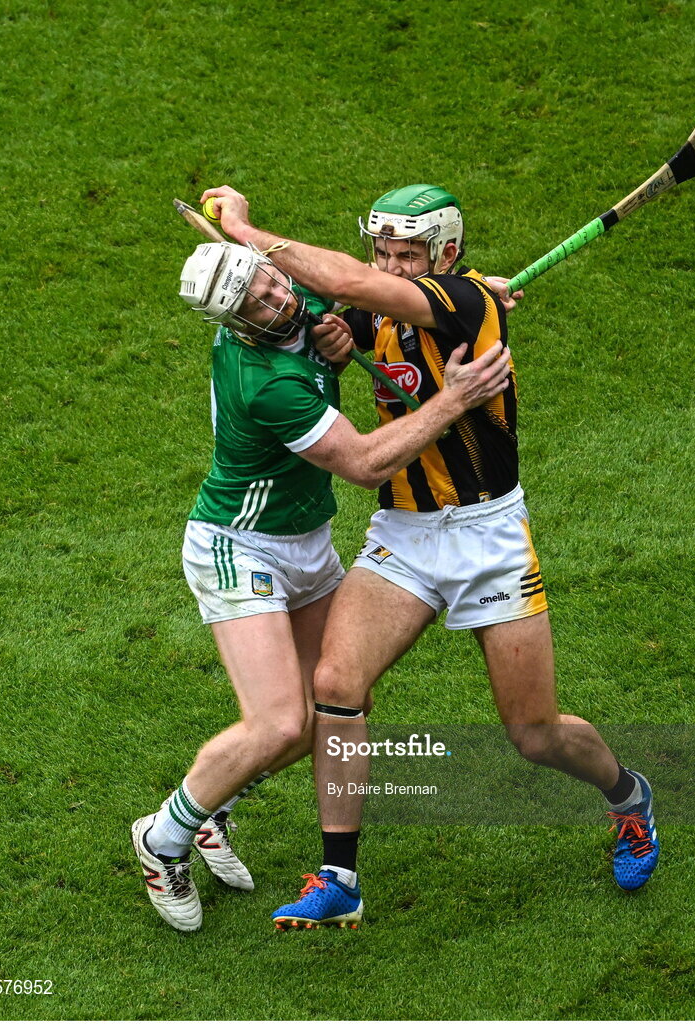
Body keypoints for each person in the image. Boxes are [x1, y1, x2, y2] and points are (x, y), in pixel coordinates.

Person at [199, 183, 660, 931]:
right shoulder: (389, 306)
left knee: (532, 732)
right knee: (337, 686)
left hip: (490, 535)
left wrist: (246, 227)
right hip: (405, 533)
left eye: (405, 254)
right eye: (381, 250)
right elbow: (325, 304)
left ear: (445, 254)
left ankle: (628, 798)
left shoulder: (464, 305)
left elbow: (342, 279)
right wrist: (333, 339)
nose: (387, 265)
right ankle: (340, 874)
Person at [131, 237, 512, 931]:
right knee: (277, 722)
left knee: (327, 712)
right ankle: (163, 839)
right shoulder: (263, 381)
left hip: (306, 544)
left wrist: (468, 298)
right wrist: (453, 400)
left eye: (271, 283)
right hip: (238, 548)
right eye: (257, 304)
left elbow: (364, 287)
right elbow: (367, 464)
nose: (279, 300)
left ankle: (213, 806)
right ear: (236, 325)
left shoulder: (291, 296)